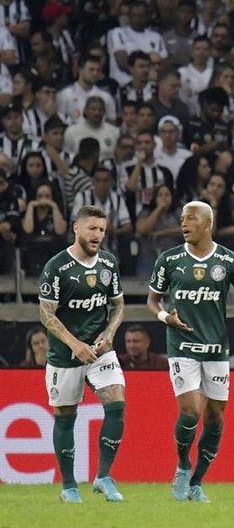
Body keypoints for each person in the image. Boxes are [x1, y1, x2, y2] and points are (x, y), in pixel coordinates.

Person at [147, 200, 234, 503]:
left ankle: (197, 483)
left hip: (216, 349)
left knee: (215, 418)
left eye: (191, 218)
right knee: (190, 411)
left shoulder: (229, 260)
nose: (184, 223)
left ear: (208, 224)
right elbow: (153, 300)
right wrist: (165, 317)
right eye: (183, 218)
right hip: (181, 346)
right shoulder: (169, 260)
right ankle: (183, 466)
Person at [37, 204, 126, 503]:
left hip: (100, 351)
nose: (98, 235)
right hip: (66, 354)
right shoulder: (57, 267)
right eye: (92, 229)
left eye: (102, 230)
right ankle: (69, 487)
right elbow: (46, 314)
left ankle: (104, 477)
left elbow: (118, 304)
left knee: (117, 402)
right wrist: (74, 344)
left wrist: (109, 333)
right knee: (65, 416)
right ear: (76, 228)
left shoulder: (108, 263)